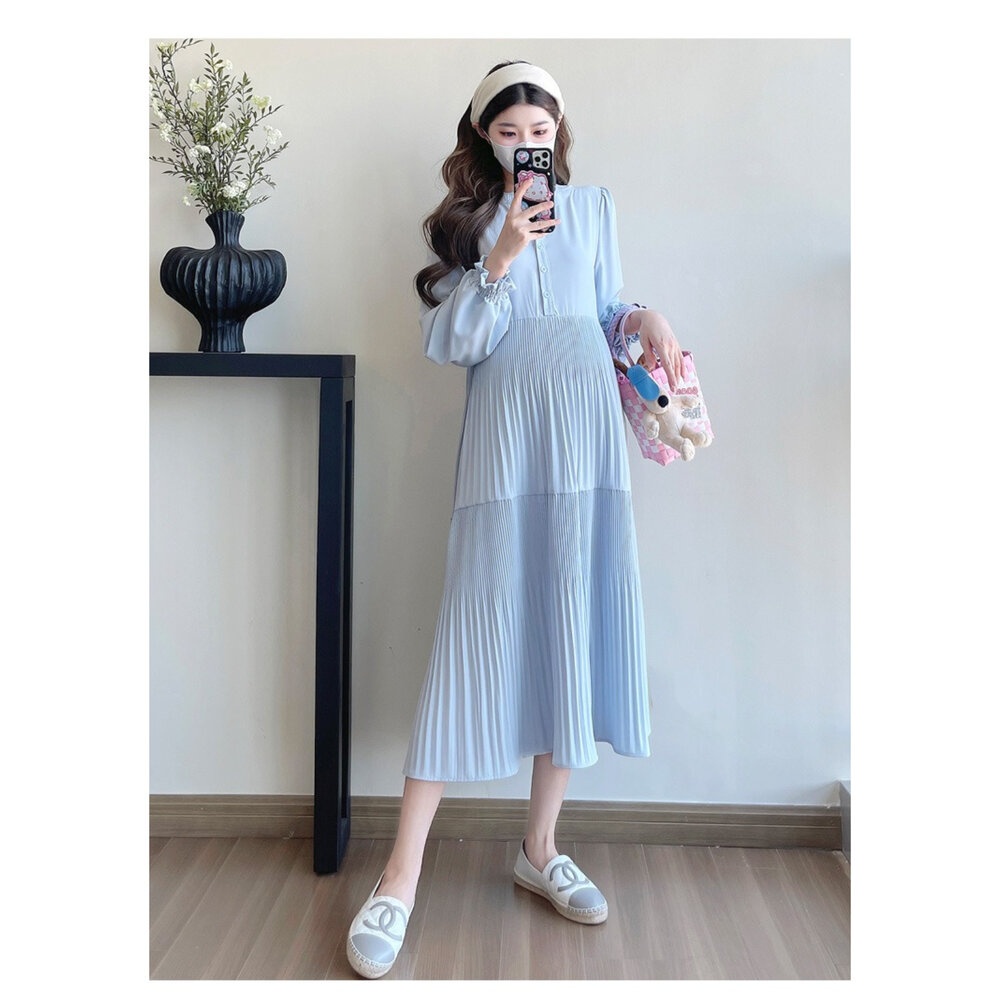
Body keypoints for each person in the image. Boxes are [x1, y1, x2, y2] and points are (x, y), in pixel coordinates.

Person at [346, 59, 685, 980]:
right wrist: (499, 256)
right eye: (508, 132)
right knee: (473, 634)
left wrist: (645, 316)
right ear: (483, 137)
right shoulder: (465, 225)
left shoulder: (595, 209)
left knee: (569, 627)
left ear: (557, 134)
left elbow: (602, 310)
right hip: (504, 453)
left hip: (586, 449)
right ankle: (399, 877)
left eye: (539, 130)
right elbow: (452, 344)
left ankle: (540, 848)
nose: (526, 144)